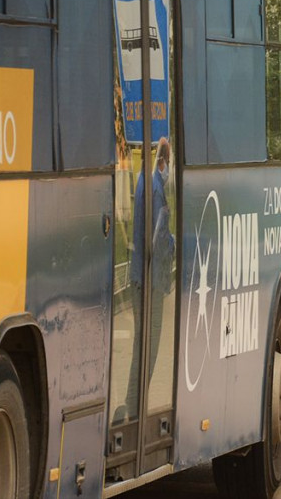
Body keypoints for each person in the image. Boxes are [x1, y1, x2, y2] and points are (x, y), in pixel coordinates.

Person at [120, 136, 175, 422]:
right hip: (151, 281)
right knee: (149, 346)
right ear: (163, 162)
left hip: (138, 276)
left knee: (140, 345)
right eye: (170, 164)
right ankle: (135, 404)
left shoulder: (143, 180)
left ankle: (134, 402)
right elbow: (159, 239)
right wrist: (176, 244)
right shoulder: (156, 188)